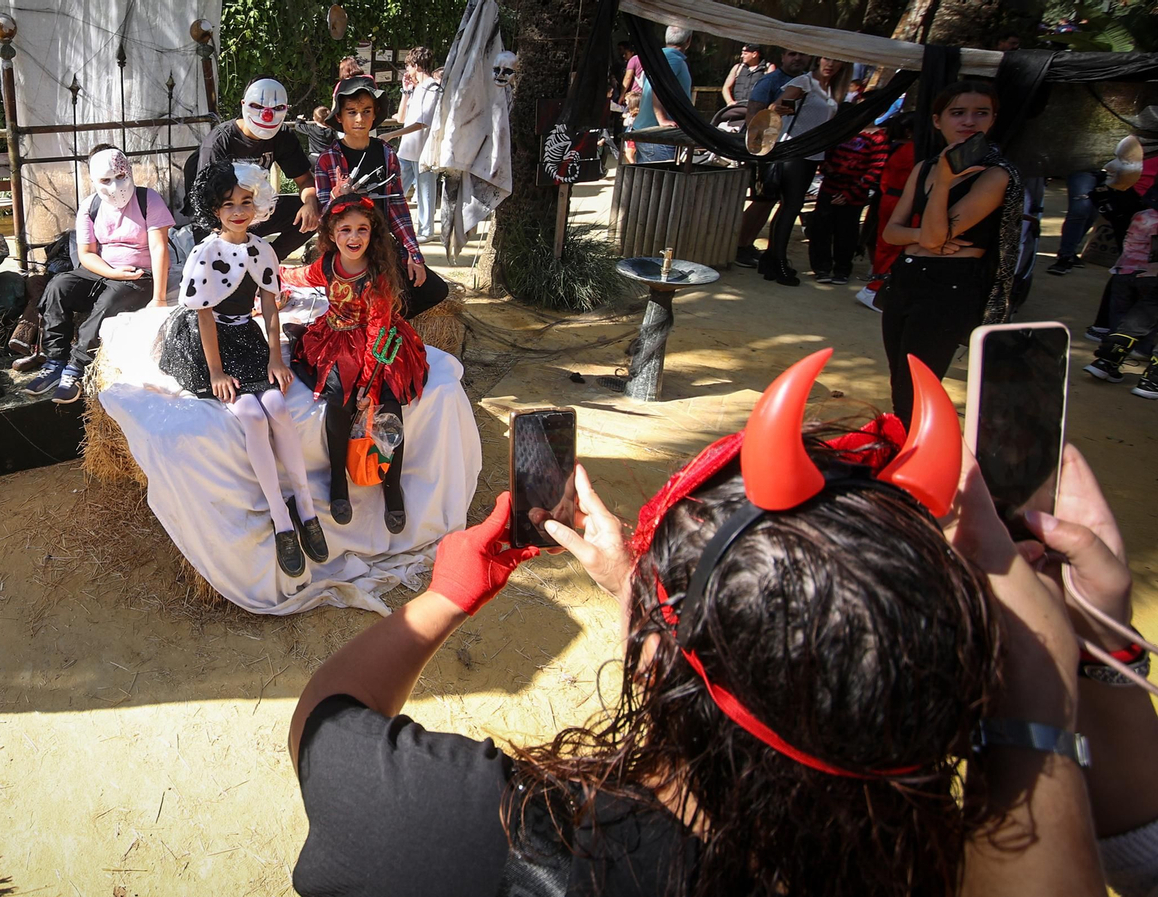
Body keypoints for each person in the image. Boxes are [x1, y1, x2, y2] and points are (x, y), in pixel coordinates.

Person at [288, 348, 1128, 896]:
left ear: (651, 660)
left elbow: (324, 727)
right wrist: (1062, 677)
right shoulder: (943, 866)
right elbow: (1126, 844)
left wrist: (443, 596)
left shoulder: (469, 834)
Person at [159, 160, 325, 578]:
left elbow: (269, 304)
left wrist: (275, 355)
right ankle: (279, 516)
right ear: (214, 209)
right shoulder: (205, 252)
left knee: (279, 408)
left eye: (246, 202)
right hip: (210, 340)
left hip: (247, 337)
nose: (238, 210)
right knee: (251, 415)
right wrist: (215, 371)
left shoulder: (263, 248)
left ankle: (305, 506)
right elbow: (204, 315)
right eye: (229, 204)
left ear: (258, 204)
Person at [281, 194, 429, 534]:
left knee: (389, 404)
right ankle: (337, 481)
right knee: (339, 401)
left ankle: (392, 487)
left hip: (379, 347)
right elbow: (300, 276)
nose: (354, 237)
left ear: (372, 232)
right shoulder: (328, 264)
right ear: (332, 234)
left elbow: (378, 333)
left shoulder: (377, 277)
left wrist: (370, 386)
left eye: (362, 229)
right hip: (335, 337)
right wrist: (271, 271)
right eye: (345, 229)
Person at [880, 81, 1022, 424]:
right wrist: (921, 238)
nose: (969, 121)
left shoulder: (996, 174)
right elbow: (891, 232)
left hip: (950, 287)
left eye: (980, 113)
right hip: (906, 278)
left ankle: (914, 466)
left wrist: (944, 182)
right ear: (937, 120)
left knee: (915, 391)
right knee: (900, 381)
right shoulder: (925, 168)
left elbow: (933, 235)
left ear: (993, 120)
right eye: (958, 113)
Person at [25, 145, 174, 404]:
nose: (115, 186)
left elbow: (159, 248)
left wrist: (158, 298)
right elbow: (87, 254)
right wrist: (113, 272)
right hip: (102, 270)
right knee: (58, 286)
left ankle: (76, 367)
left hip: (140, 274)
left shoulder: (148, 199)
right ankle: (54, 360)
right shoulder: (90, 206)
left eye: (120, 177)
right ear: (94, 181)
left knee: (108, 304)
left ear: (130, 173)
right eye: (105, 180)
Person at [315, 77, 450, 319]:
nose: (359, 119)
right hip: (349, 248)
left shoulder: (387, 154)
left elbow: (398, 208)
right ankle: (362, 323)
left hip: (381, 244)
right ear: (339, 117)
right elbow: (324, 222)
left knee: (434, 289)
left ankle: (383, 325)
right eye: (352, 112)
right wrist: (337, 198)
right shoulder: (328, 160)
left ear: (375, 114)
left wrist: (413, 254)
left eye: (366, 111)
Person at [196, 78, 321, 261]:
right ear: (244, 105)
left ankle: (267, 260)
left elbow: (305, 180)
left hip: (256, 211)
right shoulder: (219, 141)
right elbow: (206, 201)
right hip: (221, 217)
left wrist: (310, 204)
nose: (267, 115)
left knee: (313, 212)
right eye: (257, 106)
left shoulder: (283, 136)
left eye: (277, 108)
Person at [760, 57, 850, 285]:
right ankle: (777, 261)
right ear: (819, 59)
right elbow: (775, 109)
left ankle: (773, 258)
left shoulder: (832, 89)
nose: (830, 64)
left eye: (836, 61)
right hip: (794, 151)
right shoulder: (805, 82)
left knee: (790, 206)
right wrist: (781, 107)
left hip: (813, 154)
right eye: (827, 59)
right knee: (791, 206)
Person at [734, 49, 812, 268]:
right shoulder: (770, 81)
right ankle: (738, 247)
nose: (798, 58)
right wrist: (758, 153)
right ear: (783, 57)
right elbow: (753, 117)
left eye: (802, 54)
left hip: (788, 151)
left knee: (771, 200)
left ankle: (747, 244)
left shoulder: (809, 82)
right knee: (761, 200)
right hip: (764, 150)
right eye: (792, 54)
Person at [1082, 178, 1158, 399]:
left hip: (1125, 272)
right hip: (1150, 276)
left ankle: (1106, 362)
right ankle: (1151, 381)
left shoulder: (1141, 216)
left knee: (1132, 321)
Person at [806, 124, 890, 284]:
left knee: (846, 233)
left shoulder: (879, 138)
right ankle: (821, 268)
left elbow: (875, 169)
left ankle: (842, 269)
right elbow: (824, 156)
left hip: (854, 195)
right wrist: (827, 169)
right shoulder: (843, 130)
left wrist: (850, 193)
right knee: (821, 230)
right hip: (829, 190)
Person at [858, 112, 918, 311]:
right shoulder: (911, 151)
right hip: (899, 199)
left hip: (889, 197)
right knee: (893, 246)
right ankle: (876, 288)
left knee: (885, 244)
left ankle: (877, 284)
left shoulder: (894, 146)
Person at [397, 48, 443, 243]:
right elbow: (402, 118)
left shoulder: (433, 87)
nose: (407, 70)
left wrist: (392, 134)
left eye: (408, 65)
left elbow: (424, 122)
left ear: (415, 65)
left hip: (424, 150)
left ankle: (426, 230)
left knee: (425, 192)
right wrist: (406, 91)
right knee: (395, 189)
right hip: (406, 150)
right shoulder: (416, 89)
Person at [631, 26, 693, 164]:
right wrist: (662, 119)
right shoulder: (672, 59)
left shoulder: (660, 57)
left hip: (650, 132)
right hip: (658, 135)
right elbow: (658, 87)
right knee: (658, 181)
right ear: (689, 40)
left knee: (648, 180)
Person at [293, 106, 338, 171]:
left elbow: (298, 127)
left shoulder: (311, 129)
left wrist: (299, 119)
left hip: (314, 157)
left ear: (314, 119)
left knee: (314, 177)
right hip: (328, 157)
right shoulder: (332, 130)